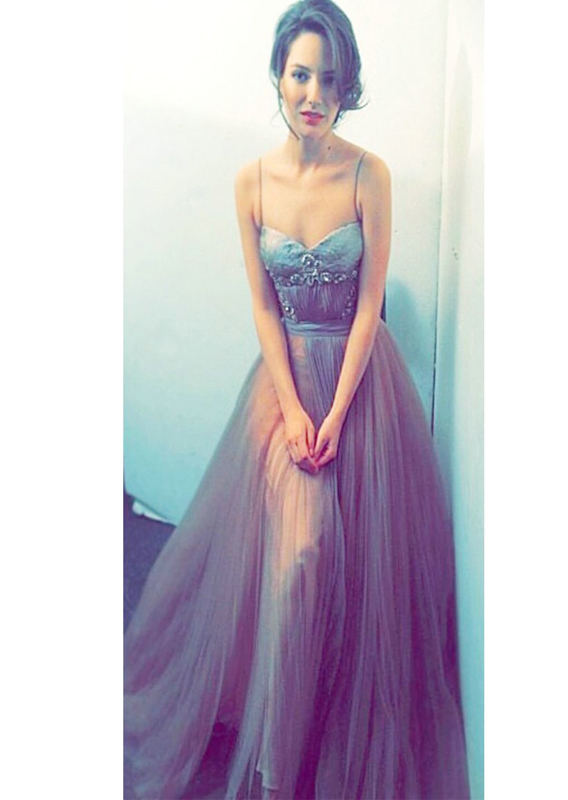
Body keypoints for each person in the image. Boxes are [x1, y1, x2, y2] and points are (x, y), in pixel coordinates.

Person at [124, 1, 471, 798]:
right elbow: (262, 307)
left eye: (331, 79)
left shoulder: (370, 175)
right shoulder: (250, 183)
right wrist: (291, 409)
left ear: (348, 88)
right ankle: (276, 764)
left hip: (359, 389)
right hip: (283, 389)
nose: (314, 94)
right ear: (279, 77)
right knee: (300, 557)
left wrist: (337, 415)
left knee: (343, 571)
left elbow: (370, 303)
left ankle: (319, 731)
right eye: (301, 74)